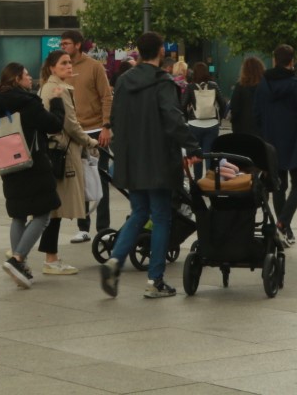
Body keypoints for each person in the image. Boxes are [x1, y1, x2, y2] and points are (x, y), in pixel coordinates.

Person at [99, 31, 199, 300]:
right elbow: (172, 117)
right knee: (162, 216)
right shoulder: (163, 82)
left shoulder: (124, 80)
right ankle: (155, 279)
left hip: (132, 159)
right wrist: (191, 146)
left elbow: (116, 118)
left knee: (139, 212)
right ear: (161, 52)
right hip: (159, 159)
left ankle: (115, 261)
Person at [0, 62, 64, 289]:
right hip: (33, 163)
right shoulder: (27, 102)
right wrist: (57, 101)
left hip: (7, 162)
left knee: (18, 214)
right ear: (17, 78)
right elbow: (54, 125)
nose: (30, 79)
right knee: (43, 213)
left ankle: (21, 266)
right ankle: (17, 259)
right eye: (26, 76)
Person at [37, 50, 99, 275]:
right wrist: (90, 141)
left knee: (53, 208)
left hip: (52, 150)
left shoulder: (47, 86)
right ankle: (48, 258)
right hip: (62, 153)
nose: (69, 66)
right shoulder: (59, 89)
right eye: (64, 63)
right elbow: (70, 124)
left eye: (70, 62)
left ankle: (33, 252)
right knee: (56, 208)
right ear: (53, 67)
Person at [256, 44, 297, 247]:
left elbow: (257, 113)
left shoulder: (263, 85)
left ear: (274, 60)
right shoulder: (295, 84)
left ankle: (284, 227)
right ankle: (283, 224)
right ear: (292, 61)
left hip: (271, 142)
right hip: (295, 140)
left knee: (279, 185)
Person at [58, 31, 113, 245]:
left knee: (101, 179)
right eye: (62, 43)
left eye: (67, 43)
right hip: (73, 132)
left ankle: (104, 228)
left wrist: (106, 126)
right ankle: (83, 227)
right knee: (79, 181)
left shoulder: (94, 67)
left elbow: (106, 97)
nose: (64, 46)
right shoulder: (60, 69)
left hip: (96, 130)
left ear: (78, 45)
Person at [183, 61, 226, 172]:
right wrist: (219, 118)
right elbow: (223, 103)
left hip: (194, 125)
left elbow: (182, 105)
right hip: (212, 124)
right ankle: (210, 181)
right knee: (209, 155)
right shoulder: (214, 85)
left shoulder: (190, 87)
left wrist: (187, 118)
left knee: (197, 156)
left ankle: (198, 182)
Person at [228, 56, 264, 136]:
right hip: (262, 130)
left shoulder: (240, 86)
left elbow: (234, 108)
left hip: (243, 130)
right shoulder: (265, 86)